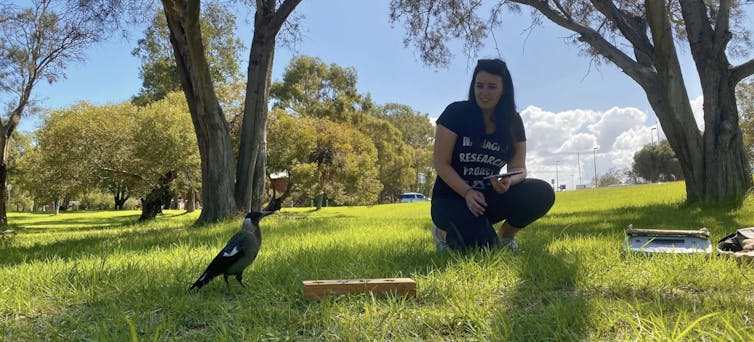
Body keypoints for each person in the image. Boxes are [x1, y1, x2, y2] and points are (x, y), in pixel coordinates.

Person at [430, 58, 555, 252]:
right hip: (451, 198)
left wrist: (508, 181)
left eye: (491, 87)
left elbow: (519, 169)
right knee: (483, 248)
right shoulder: (455, 113)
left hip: (488, 197)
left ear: (503, 90)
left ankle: (505, 236)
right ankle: (442, 234)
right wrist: (467, 192)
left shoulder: (513, 121)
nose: (484, 93)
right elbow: (441, 163)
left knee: (542, 192)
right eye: (479, 86)